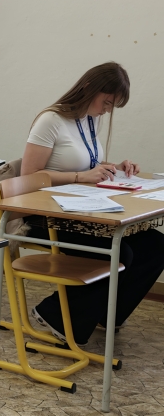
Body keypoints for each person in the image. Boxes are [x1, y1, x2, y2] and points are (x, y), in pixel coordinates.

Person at [20, 61, 164, 346]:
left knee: (156, 246)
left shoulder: (90, 119)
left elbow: (87, 164)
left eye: (113, 106)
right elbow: (28, 176)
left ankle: (105, 313)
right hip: (46, 216)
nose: (107, 110)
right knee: (118, 252)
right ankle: (54, 316)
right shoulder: (50, 120)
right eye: (107, 102)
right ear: (89, 88)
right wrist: (80, 176)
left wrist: (115, 168)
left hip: (83, 211)